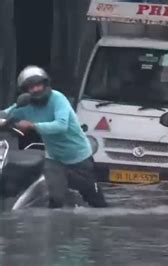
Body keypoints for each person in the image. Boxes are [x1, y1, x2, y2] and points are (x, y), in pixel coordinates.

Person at [3, 66, 108, 208]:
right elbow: (5, 114)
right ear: (25, 91)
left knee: (95, 201)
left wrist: (32, 126)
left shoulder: (58, 99)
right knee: (56, 199)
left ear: (45, 84)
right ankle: (57, 227)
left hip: (79, 157)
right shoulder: (24, 105)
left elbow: (61, 125)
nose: (35, 90)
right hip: (54, 158)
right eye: (31, 87)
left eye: (38, 85)